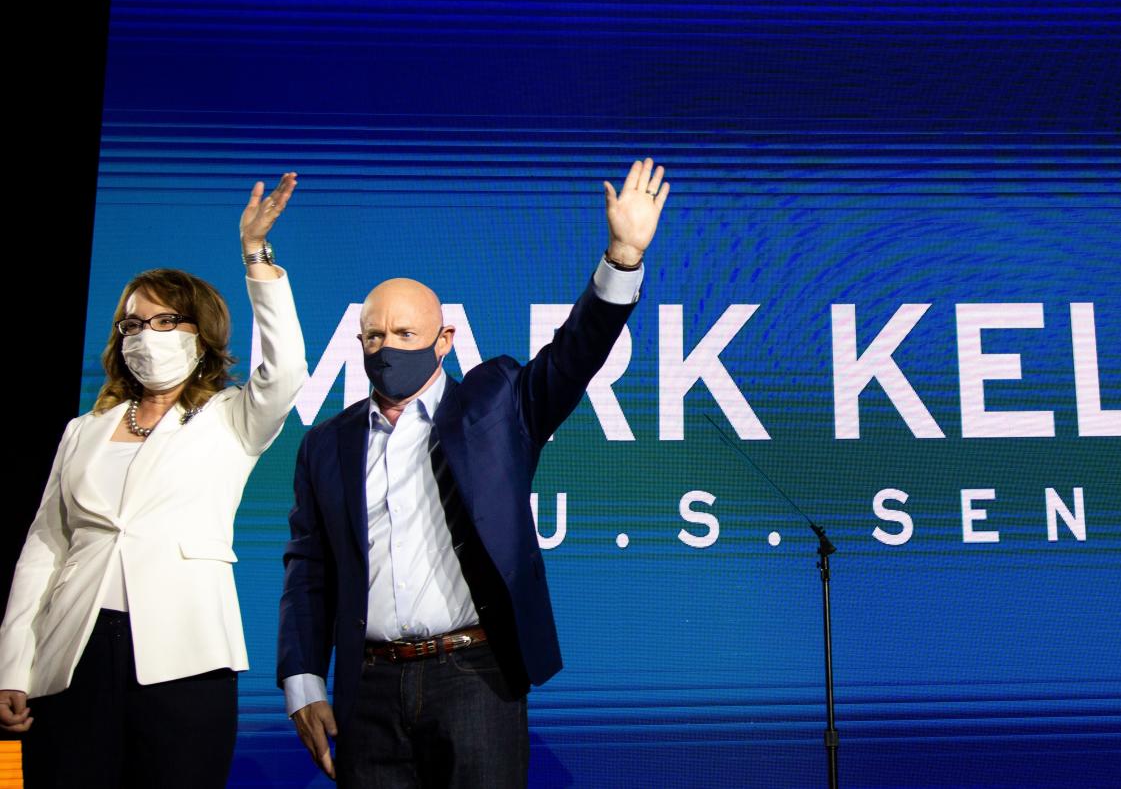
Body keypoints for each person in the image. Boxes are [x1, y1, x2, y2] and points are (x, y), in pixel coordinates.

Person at [278, 158, 670, 787]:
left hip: (474, 677)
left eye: (406, 332)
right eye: (373, 335)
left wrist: (622, 255)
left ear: (445, 340)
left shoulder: (498, 404)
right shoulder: (326, 444)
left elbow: (575, 353)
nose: (387, 347)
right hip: (366, 687)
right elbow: (310, 568)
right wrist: (302, 681)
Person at [0, 173, 308, 787]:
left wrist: (256, 253)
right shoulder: (83, 430)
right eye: (134, 324)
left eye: (166, 321)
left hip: (183, 655)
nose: (147, 335)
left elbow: (288, 370)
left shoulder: (230, 418)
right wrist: (15, 666)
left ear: (201, 334)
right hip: (74, 650)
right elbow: (45, 547)